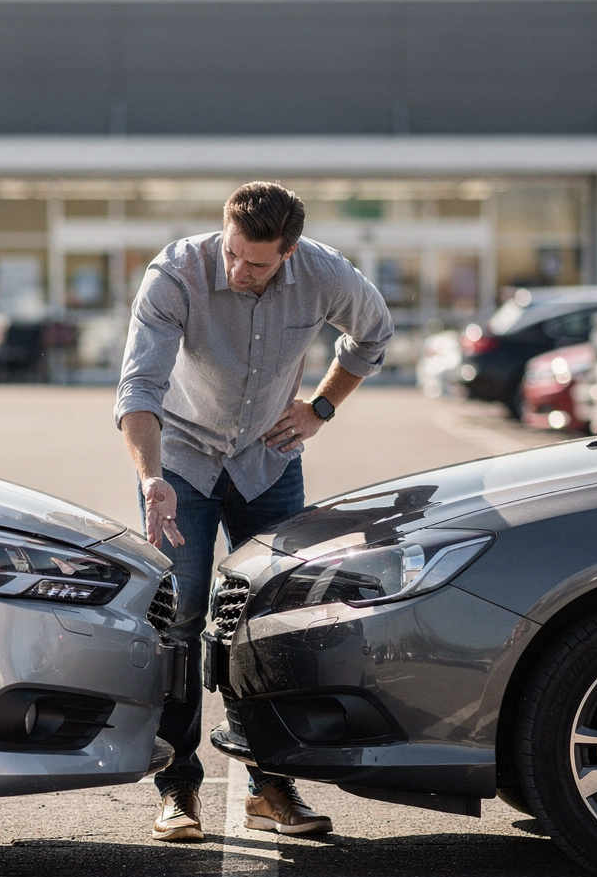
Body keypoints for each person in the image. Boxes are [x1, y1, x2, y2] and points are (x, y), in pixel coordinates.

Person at [114, 181, 393, 842]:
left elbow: (373, 334)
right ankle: (179, 787)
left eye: (258, 263)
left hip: (267, 460)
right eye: (234, 254)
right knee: (180, 620)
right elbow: (139, 388)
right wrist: (151, 478)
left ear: (290, 253)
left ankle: (271, 787)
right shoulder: (176, 274)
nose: (239, 270)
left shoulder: (324, 274)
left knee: (271, 622)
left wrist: (320, 408)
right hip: (179, 460)